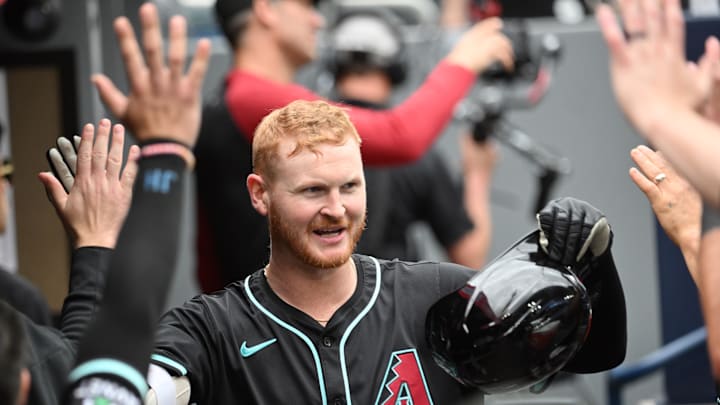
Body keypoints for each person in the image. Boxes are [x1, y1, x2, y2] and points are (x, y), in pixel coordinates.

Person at [146, 99, 626, 404]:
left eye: (349, 187)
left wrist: (595, 259)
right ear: (259, 194)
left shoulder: (439, 296)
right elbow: (124, 391)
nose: (336, 209)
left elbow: (596, 355)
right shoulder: (212, 330)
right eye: (313, 191)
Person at [193, 0, 514, 292]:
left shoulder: (222, 104)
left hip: (255, 332)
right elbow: (401, 135)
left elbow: (207, 260)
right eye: (307, 6)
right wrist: (463, 61)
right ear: (265, 9)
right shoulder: (252, 98)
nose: (317, 21)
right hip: (281, 335)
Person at [326, 8, 495, 267]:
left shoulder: (300, 142)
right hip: (391, 302)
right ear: (397, 68)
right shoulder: (418, 155)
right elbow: (470, 257)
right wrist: (477, 174)